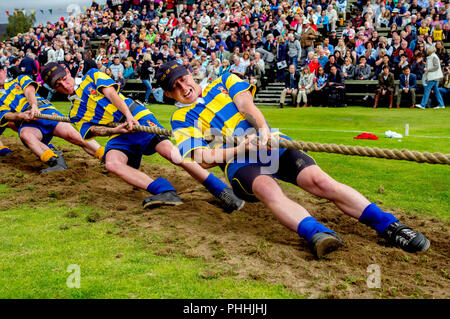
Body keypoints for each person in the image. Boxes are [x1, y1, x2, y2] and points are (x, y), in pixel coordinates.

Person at [157, 60, 430, 258]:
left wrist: (262, 129)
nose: (184, 86)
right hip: (239, 162)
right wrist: (240, 149)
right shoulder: (180, 118)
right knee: (267, 189)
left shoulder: (224, 80)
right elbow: (204, 158)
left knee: (320, 181)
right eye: (175, 86)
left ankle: (390, 226)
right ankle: (317, 233)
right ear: (169, 94)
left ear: (191, 74)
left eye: (184, 79)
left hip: (271, 141)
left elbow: (246, 105)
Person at [41, 62, 244, 212]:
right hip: (120, 132)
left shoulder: (92, 76)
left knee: (173, 154)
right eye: (58, 85)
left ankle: (223, 191)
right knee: (112, 163)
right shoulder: (74, 112)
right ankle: (164, 190)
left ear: (68, 71)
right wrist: (115, 131)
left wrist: (129, 117)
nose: (65, 86)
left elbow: (112, 94)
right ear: (53, 88)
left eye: (64, 79)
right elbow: (92, 131)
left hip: (136, 115)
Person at [0, 63, 101, 173]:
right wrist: (20, 115)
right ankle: (56, 161)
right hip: (26, 121)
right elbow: (5, 115)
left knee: (73, 135)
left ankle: (105, 155)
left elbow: (29, 90)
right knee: (26, 134)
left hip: (44, 109)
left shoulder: (19, 79)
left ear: (4, 72)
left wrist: (33, 105)